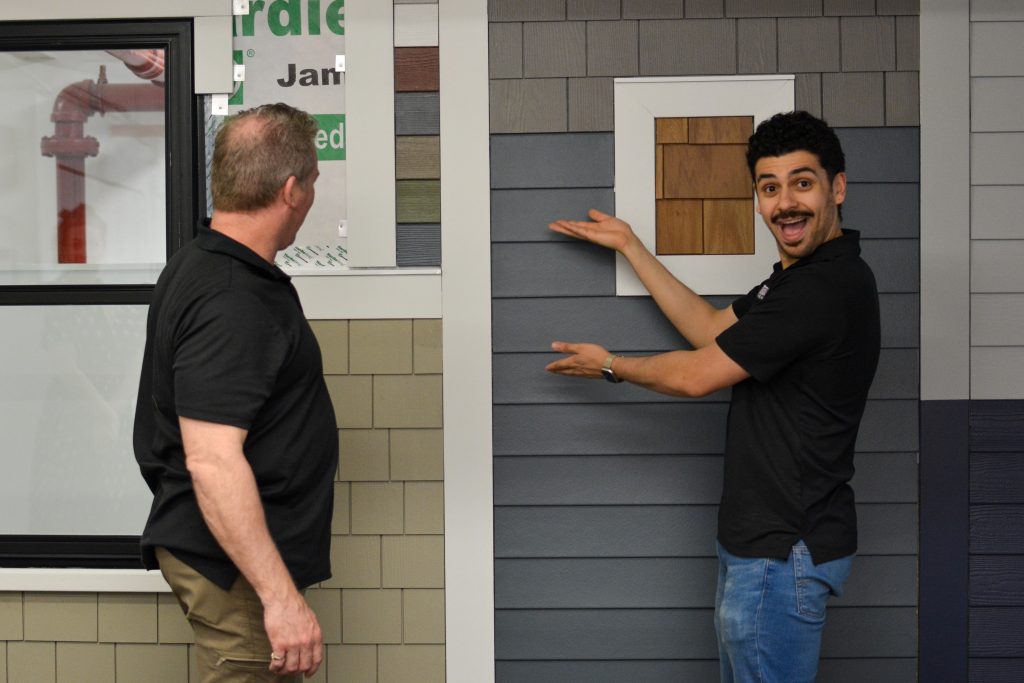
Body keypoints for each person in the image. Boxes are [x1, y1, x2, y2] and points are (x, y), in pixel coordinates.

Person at [546, 111, 880, 683]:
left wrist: (610, 365)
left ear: (837, 187)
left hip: (783, 553)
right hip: (764, 550)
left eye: (803, 182)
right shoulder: (797, 282)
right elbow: (709, 329)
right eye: (769, 188)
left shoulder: (823, 287)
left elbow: (696, 374)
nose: (785, 203)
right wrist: (631, 246)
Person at [133, 103, 336, 681]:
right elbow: (213, 460)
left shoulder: (205, 264)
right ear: (292, 189)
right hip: (232, 565)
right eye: (315, 180)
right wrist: (279, 598)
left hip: (231, 552)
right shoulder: (232, 297)